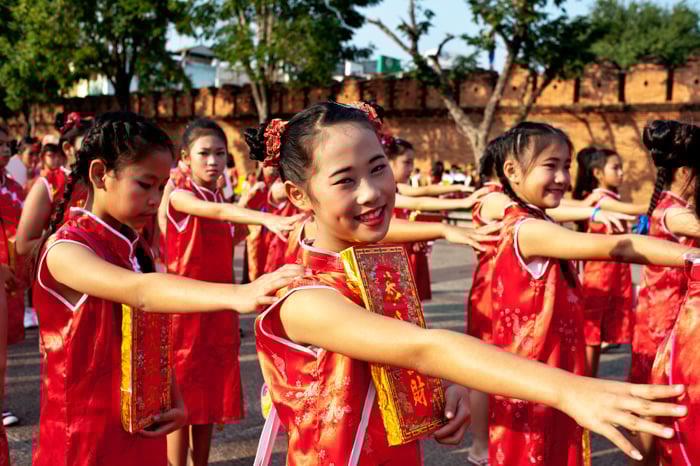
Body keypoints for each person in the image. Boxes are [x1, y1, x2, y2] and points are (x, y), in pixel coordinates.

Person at [245, 102, 688, 466]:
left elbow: (403, 358)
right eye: (345, 180)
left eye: (378, 168)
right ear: (299, 195)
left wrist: (444, 392)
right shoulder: (304, 299)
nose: (371, 192)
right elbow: (426, 347)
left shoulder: (373, 270)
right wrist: (570, 388)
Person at [30, 111, 303, 466]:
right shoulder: (66, 249)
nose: (156, 199)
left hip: (139, 422)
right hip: (81, 435)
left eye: (161, 187)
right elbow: (141, 291)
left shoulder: (132, 247)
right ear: (100, 174)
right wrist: (239, 293)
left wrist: (170, 393)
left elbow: (150, 326)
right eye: (144, 185)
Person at [482, 121, 699, 466]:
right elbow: (619, 248)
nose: (561, 177)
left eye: (565, 166)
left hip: (551, 370)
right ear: (512, 171)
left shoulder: (540, 219)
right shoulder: (528, 228)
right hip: (534, 375)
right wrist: (691, 257)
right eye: (549, 166)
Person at [162, 118, 300, 466]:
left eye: (219, 154)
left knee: (208, 398)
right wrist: (263, 219)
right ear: (184, 158)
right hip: (185, 311)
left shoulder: (216, 194)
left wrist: (259, 215)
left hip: (219, 310)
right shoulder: (178, 193)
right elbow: (218, 212)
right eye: (204, 153)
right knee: (181, 400)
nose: (212, 161)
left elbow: (228, 226)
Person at [572, 147, 637, 376]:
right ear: (598, 173)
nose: (621, 173)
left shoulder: (606, 197)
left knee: (597, 338)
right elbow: (633, 209)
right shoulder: (602, 199)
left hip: (611, 275)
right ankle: (586, 384)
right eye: (615, 168)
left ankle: (591, 381)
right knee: (591, 337)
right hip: (598, 276)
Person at [15, 113, 92, 257]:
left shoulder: (106, 181)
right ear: (68, 148)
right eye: (89, 144)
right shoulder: (48, 183)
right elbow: (23, 245)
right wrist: (69, 242)